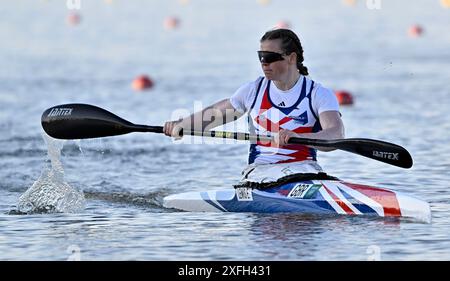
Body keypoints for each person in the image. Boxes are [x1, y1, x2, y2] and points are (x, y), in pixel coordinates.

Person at [164, 29, 344, 183]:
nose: (264, 63)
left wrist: (298, 135)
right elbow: (212, 116)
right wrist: (181, 125)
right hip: (261, 175)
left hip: (306, 172)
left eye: (271, 57)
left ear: (291, 58)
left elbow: (335, 135)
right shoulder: (253, 91)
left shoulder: (318, 94)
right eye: (261, 57)